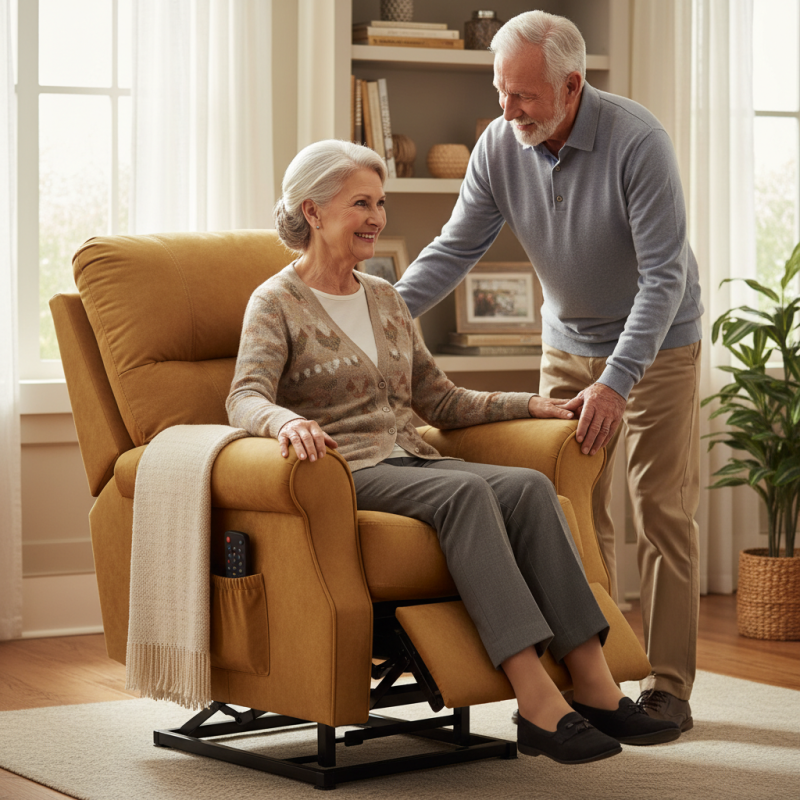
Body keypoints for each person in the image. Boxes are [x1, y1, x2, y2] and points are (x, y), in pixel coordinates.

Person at [227, 139, 680, 765]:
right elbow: (245, 395)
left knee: (528, 487)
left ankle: (594, 683)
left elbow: (439, 400)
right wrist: (285, 422)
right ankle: (535, 699)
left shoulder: (385, 297)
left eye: (380, 203)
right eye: (361, 204)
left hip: (412, 458)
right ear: (313, 210)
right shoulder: (275, 301)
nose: (377, 217)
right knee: (465, 492)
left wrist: (529, 405)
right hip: (345, 468)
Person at [393, 10, 702, 733]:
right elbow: (454, 248)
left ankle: (669, 684)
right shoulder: (499, 144)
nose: (508, 111)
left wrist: (617, 381)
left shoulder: (638, 141)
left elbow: (663, 277)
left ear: (572, 85)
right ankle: (597, 678)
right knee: (571, 513)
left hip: (657, 346)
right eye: (500, 92)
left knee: (660, 508)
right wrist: (375, 313)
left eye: (524, 95)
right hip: (565, 345)